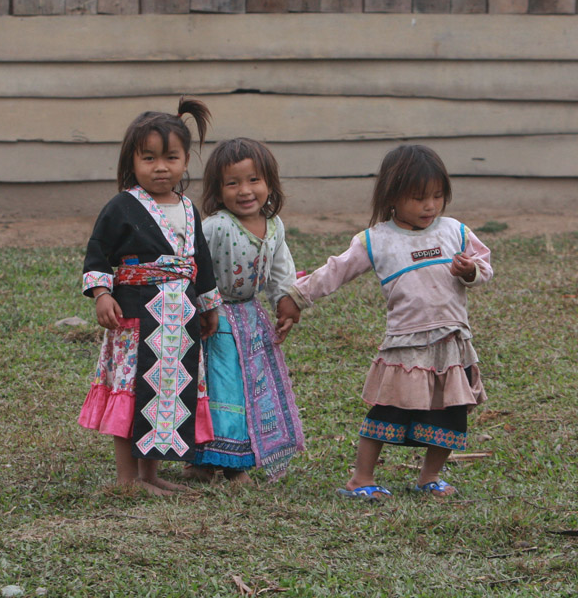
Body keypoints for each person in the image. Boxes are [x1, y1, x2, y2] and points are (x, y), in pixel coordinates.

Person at [287, 144, 491, 500]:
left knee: (452, 412)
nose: (430, 206)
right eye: (418, 198)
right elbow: (337, 269)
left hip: (451, 344)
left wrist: (471, 270)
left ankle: (429, 477)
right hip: (406, 345)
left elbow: (484, 264)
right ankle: (360, 479)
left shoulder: (455, 231)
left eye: (438, 196)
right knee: (388, 410)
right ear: (392, 197)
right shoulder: (377, 240)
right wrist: (297, 296)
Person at [77, 98, 221, 496]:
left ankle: (150, 475)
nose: (161, 167)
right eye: (149, 158)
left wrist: (209, 307)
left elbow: (201, 263)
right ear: (132, 161)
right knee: (134, 389)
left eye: (171, 157)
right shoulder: (122, 207)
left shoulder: (190, 210)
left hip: (181, 320)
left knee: (163, 392)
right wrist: (103, 293)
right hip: (135, 318)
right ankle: (127, 480)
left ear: (185, 160)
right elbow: (98, 253)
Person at [187, 138, 306, 484]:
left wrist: (286, 302)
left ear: (269, 183)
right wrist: (197, 309)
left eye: (254, 180)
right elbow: (191, 265)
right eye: (232, 182)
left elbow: (281, 271)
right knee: (223, 389)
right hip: (216, 319)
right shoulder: (216, 226)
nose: (245, 190)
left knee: (252, 387)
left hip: (251, 318)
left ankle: (215, 460)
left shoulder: (275, 226)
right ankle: (226, 464)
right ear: (217, 189)